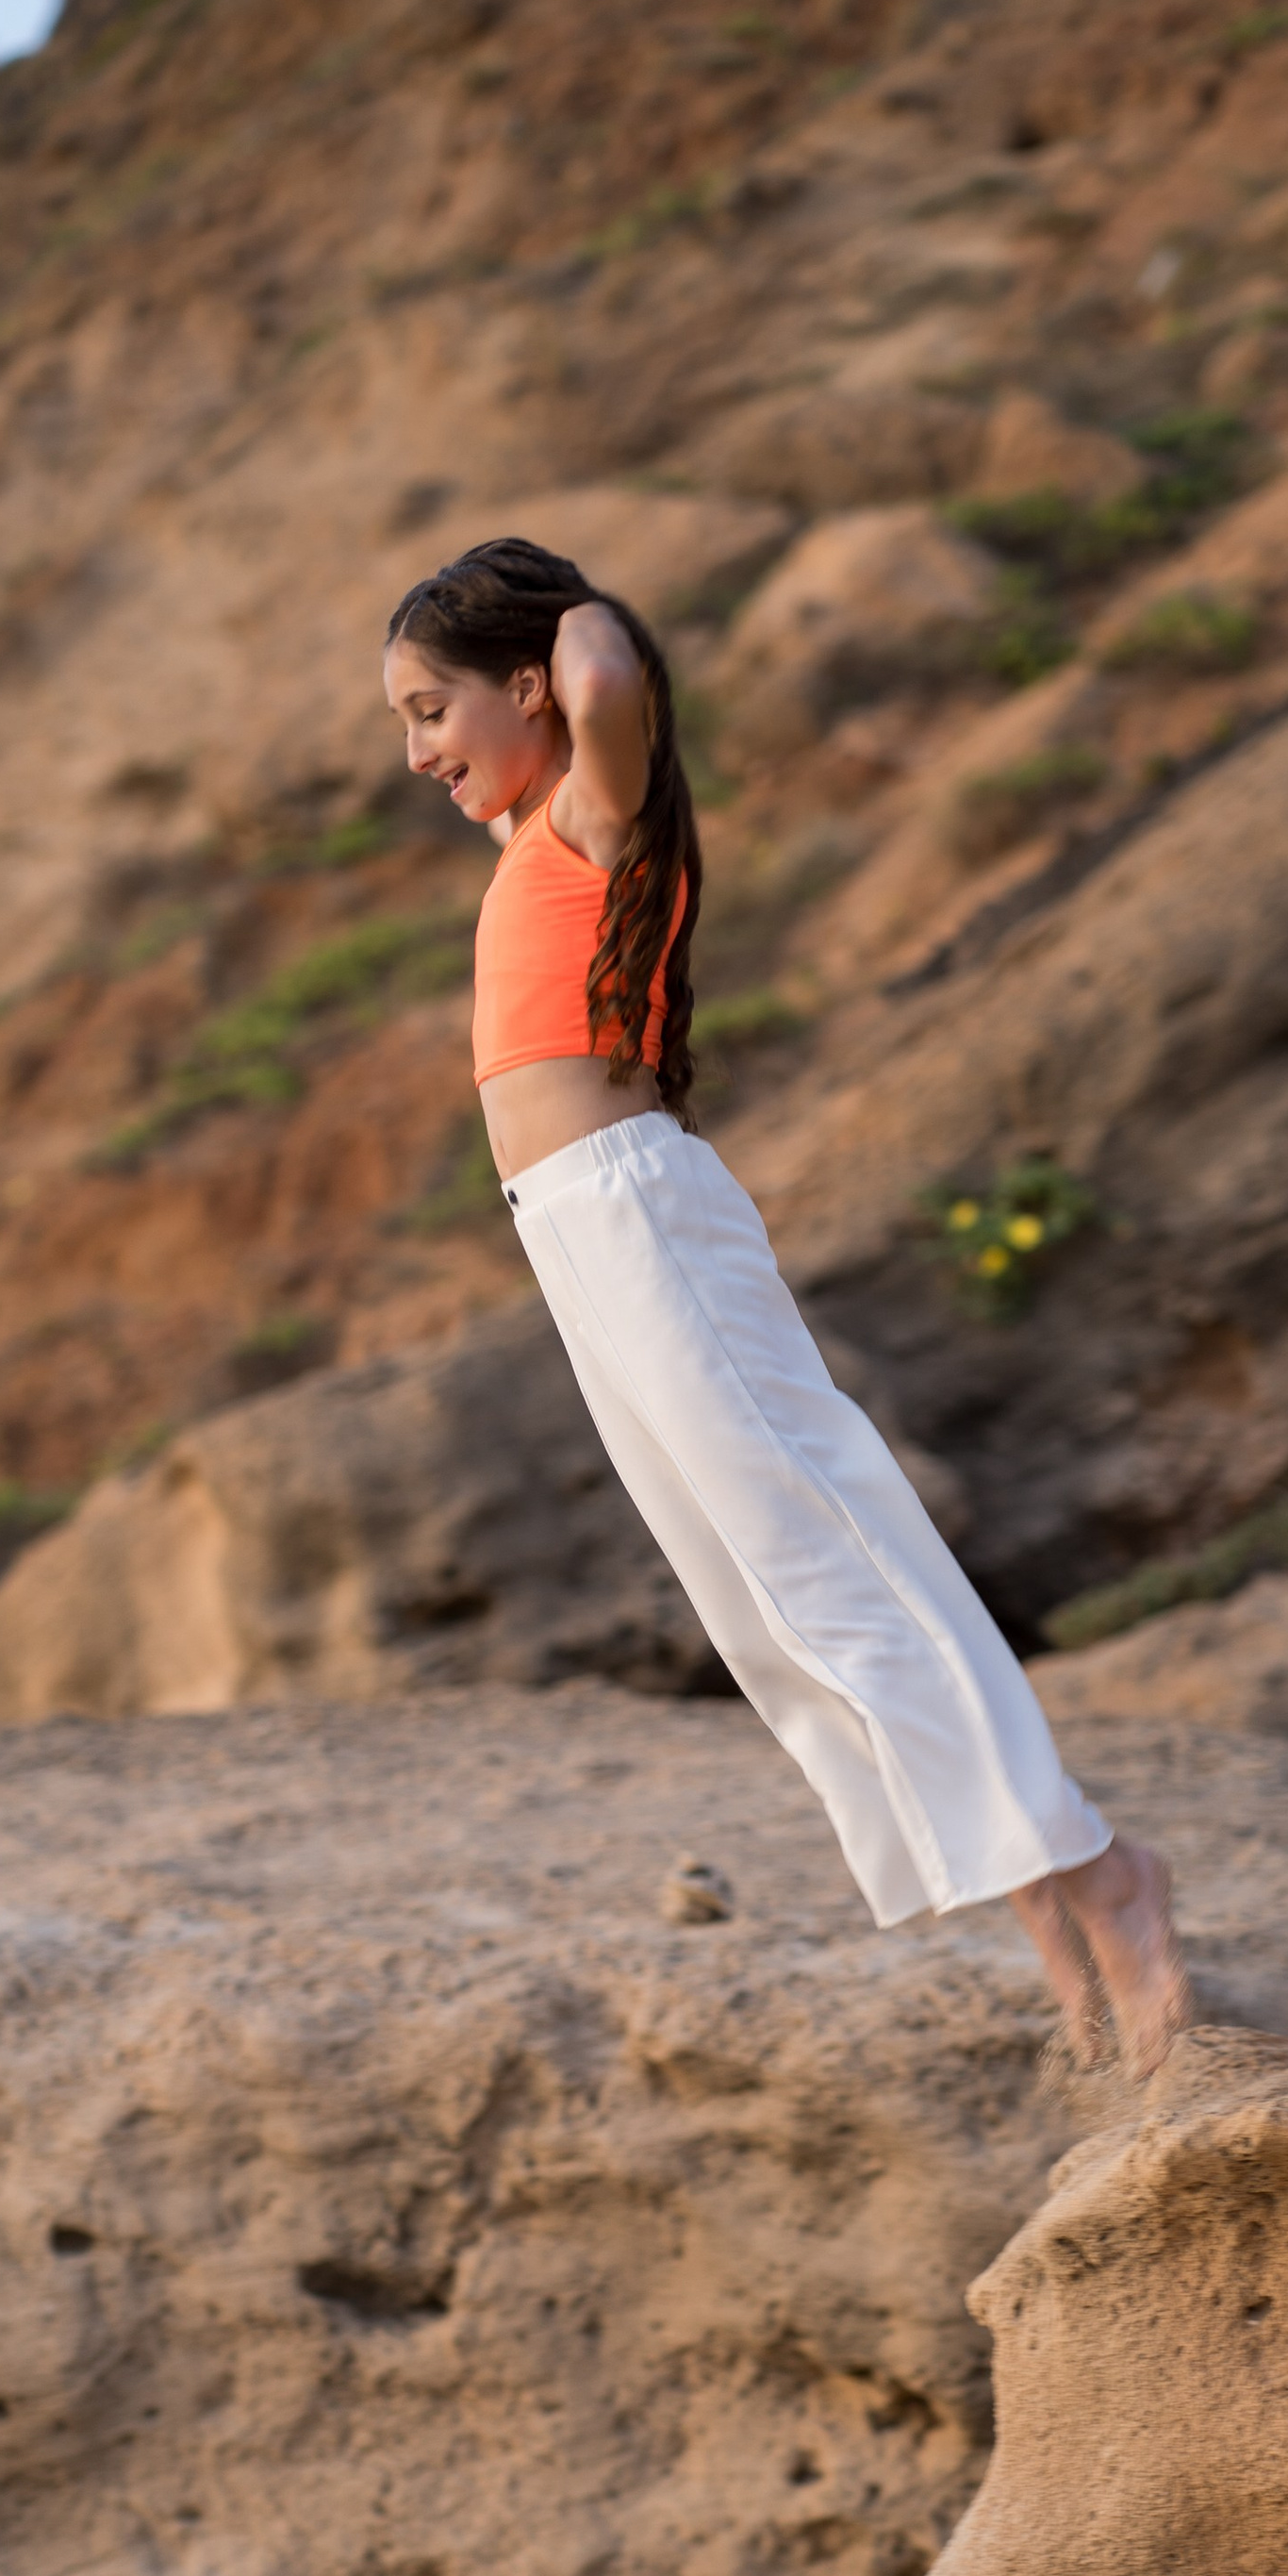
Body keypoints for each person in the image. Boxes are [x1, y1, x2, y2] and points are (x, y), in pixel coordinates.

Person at [381, 535, 1194, 2072]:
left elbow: (610, 666)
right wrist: (516, 673)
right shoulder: (523, 837)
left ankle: (1107, 1874)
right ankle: (1029, 1889)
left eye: (434, 709)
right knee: (760, 1597)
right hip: (569, 1233)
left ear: (528, 690)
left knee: (834, 1550)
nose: (420, 752)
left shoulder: (594, 808)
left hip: (642, 1212)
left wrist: (571, 615)